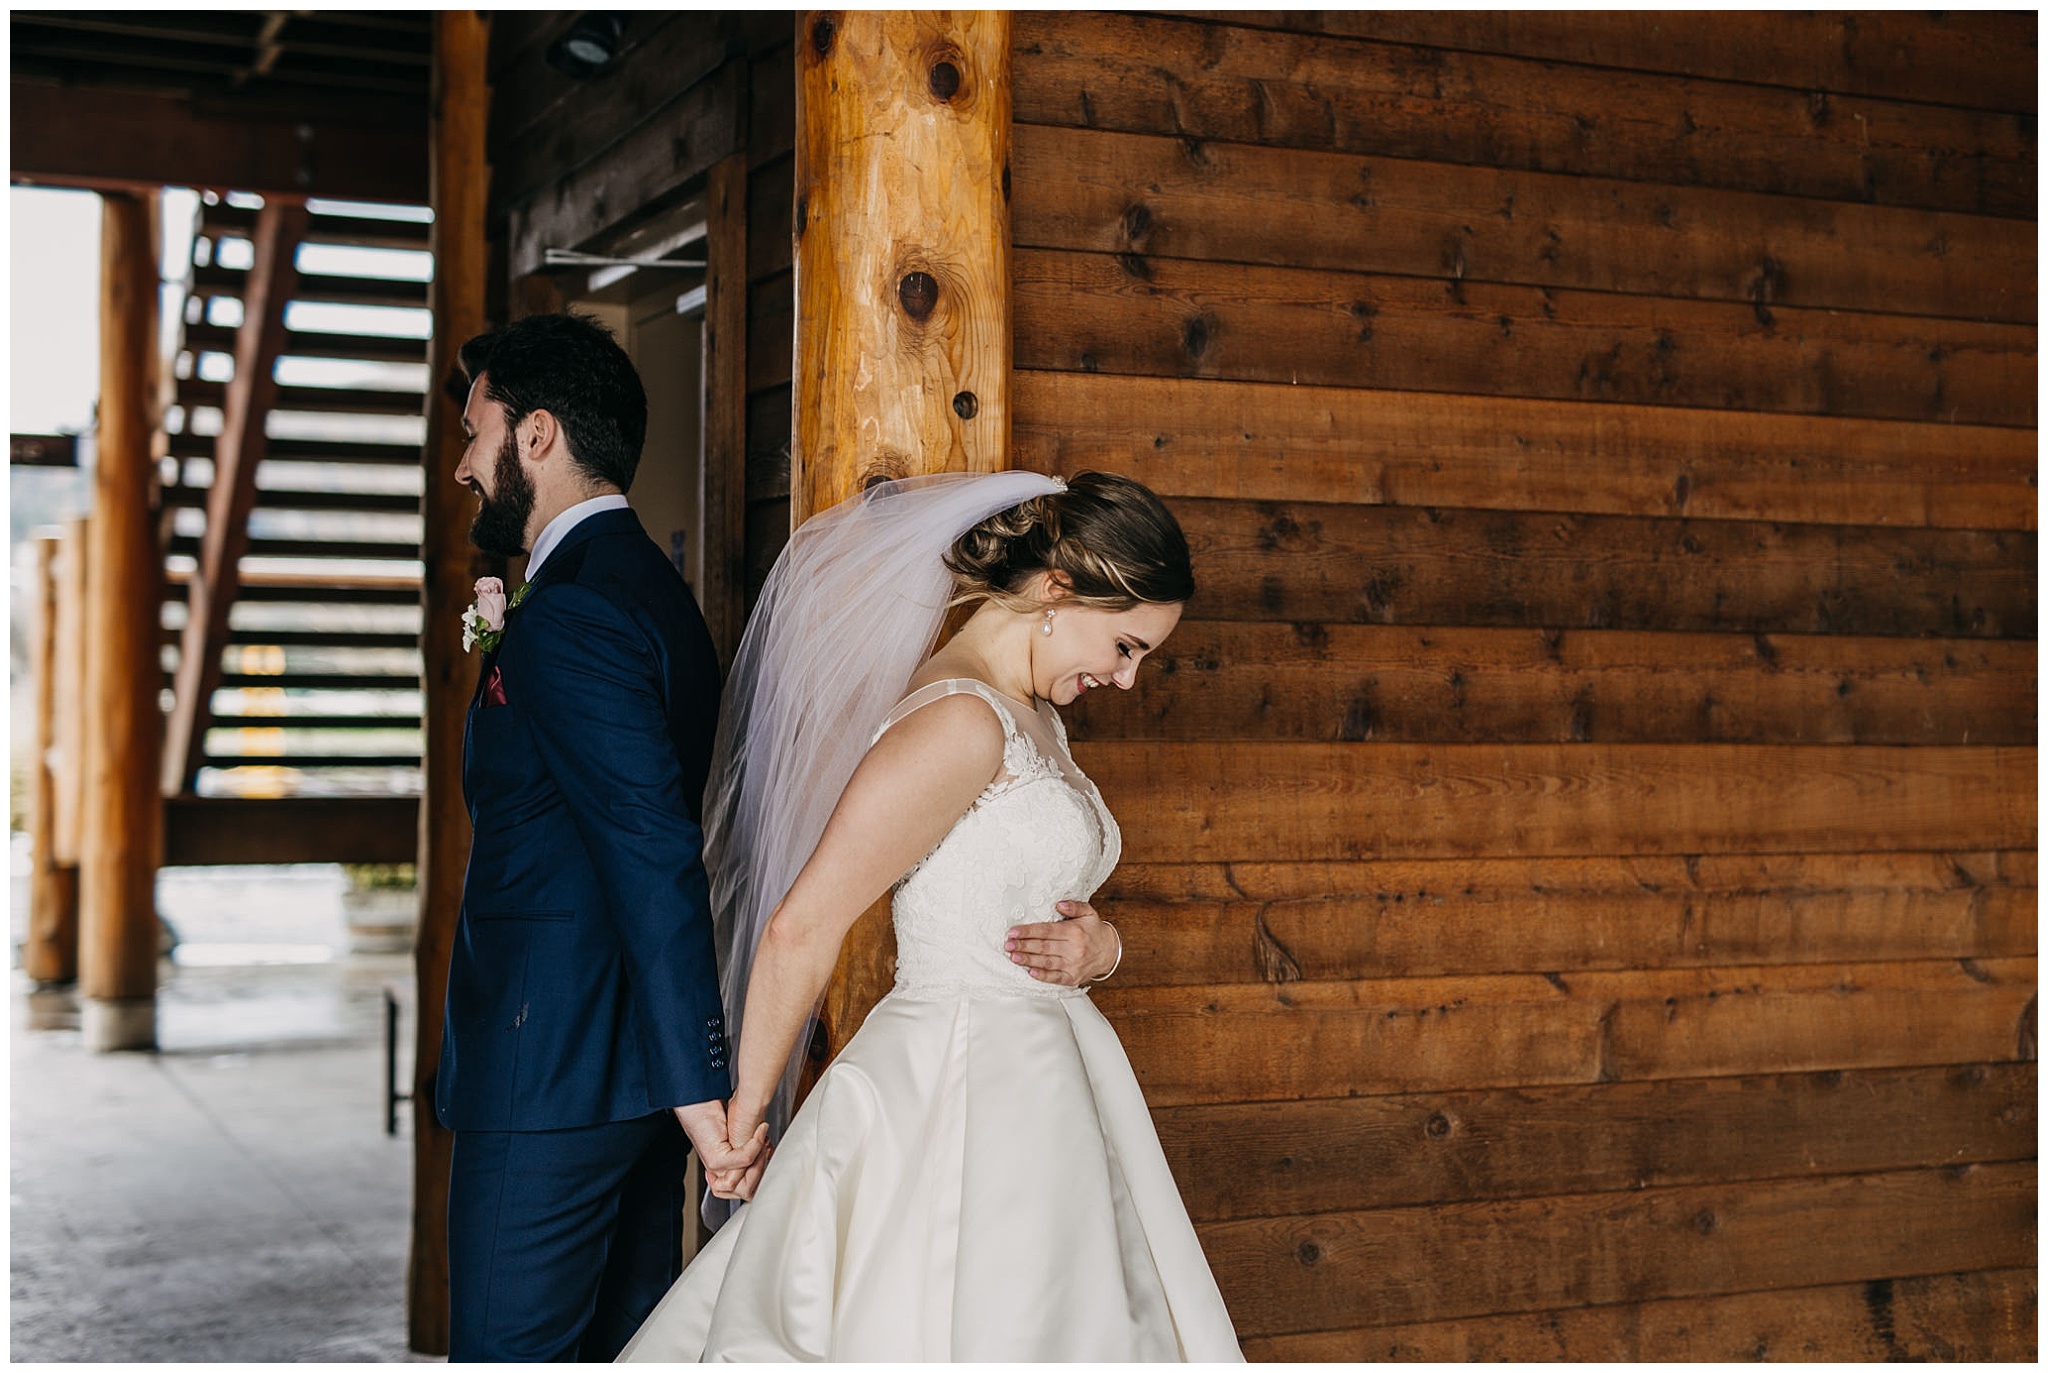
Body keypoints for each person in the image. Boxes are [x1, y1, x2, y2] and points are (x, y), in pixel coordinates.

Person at [621, 470, 1244, 1360]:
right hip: (959, 1080)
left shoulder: (1031, 714)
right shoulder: (961, 722)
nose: (1126, 677)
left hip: (1055, 1085)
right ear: (1058, 593)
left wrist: (1100, 947)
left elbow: (1029, 896)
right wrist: (745, 1123)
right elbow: (803, 922)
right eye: (1126, 645)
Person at [437, 312, 763, 1361]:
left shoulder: (575, 610)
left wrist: (696, 1088)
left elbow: (649, 847)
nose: (460, 467)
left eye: (473, 432)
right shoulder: (653, 596)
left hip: (551, 1075)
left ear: (536, 436)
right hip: (619, 1079)